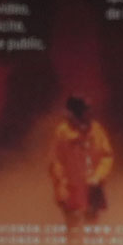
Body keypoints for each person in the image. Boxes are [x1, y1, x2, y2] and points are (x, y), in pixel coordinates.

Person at [49, 95, 115, 234]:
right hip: (71, 189)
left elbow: (107, 156)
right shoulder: (63, 132)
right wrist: (61, 187)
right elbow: (55, 162)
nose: (90, 113)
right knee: (73, 231)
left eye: (89, 110)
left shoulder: (96, 130)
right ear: (76, 112)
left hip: (93, 187)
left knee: (92, 230)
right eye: (86, 110)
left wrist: (98, 177)